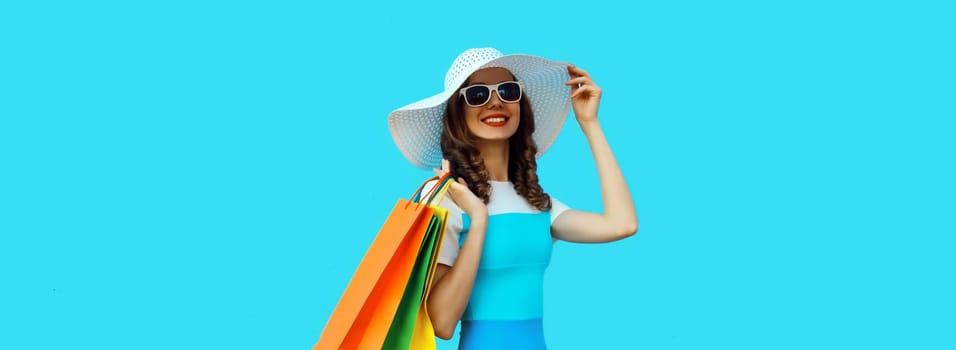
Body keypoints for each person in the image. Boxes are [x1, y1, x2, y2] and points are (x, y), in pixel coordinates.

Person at [388, 47, 638, 349]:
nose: (496, 102)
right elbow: (441, 323)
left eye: (507, 91)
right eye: (478, 94)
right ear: (457, 113)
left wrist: (590, 125)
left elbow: (622, 224)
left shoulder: (536, 203)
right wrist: (478, 219)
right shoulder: (449, 199)